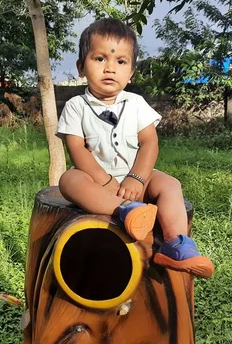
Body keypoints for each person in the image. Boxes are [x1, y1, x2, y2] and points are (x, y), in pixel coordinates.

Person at [57, 18, 214, 278]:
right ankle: (127, 211)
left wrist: (138, 178)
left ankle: (176, 244)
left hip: (136, 177)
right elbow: (76, 148)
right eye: (99, 59)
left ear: (131, 73)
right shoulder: (77, 105)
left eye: (120, 62)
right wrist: (105, 181)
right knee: (69, 180)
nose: (110, 68)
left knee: (170, 184)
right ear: (81, 67)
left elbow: (149, 142)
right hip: (97, 182)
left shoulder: (137, 103)